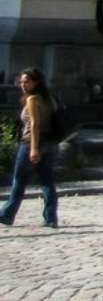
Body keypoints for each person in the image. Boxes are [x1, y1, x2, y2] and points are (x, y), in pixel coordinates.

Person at [0, 69, 59, 229]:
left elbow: (34, 124)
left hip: (31, 143)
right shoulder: (49, 99)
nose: (23, 85)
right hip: (49, 143)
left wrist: (33, 148)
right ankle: (51, 217)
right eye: (21, 81)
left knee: (19, 180)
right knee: (47, 181)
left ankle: (6, 214)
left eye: (27, 81)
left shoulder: (33, 99)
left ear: (36, 82)